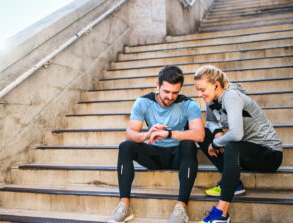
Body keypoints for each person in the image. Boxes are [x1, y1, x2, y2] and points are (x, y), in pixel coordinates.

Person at [108, 65, 205, 223]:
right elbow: (129, 134)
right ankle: (124, 206)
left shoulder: (189, 104)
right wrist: (147, 134)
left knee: (189, 144)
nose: (170, 97)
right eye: (166, 92)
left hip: (178, 157)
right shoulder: (143, 102)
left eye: (175, 92)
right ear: (157, 85)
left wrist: (169, 133)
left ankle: (181, 208)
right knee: (125, 146)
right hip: (153, 155)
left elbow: (200, 135)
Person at [193, 65, 283, 223]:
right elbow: (212, 122)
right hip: (244, 153)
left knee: (232, 145)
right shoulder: (211, 99)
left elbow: (236, 134)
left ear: (216, 85)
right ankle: (235, 183)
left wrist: (216, 143)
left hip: (269, 154)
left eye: (202, 90)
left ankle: (221, 213)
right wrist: (216, 134)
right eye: (198, 90)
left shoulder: (231, 96)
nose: (199, 94)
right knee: (203, 134)